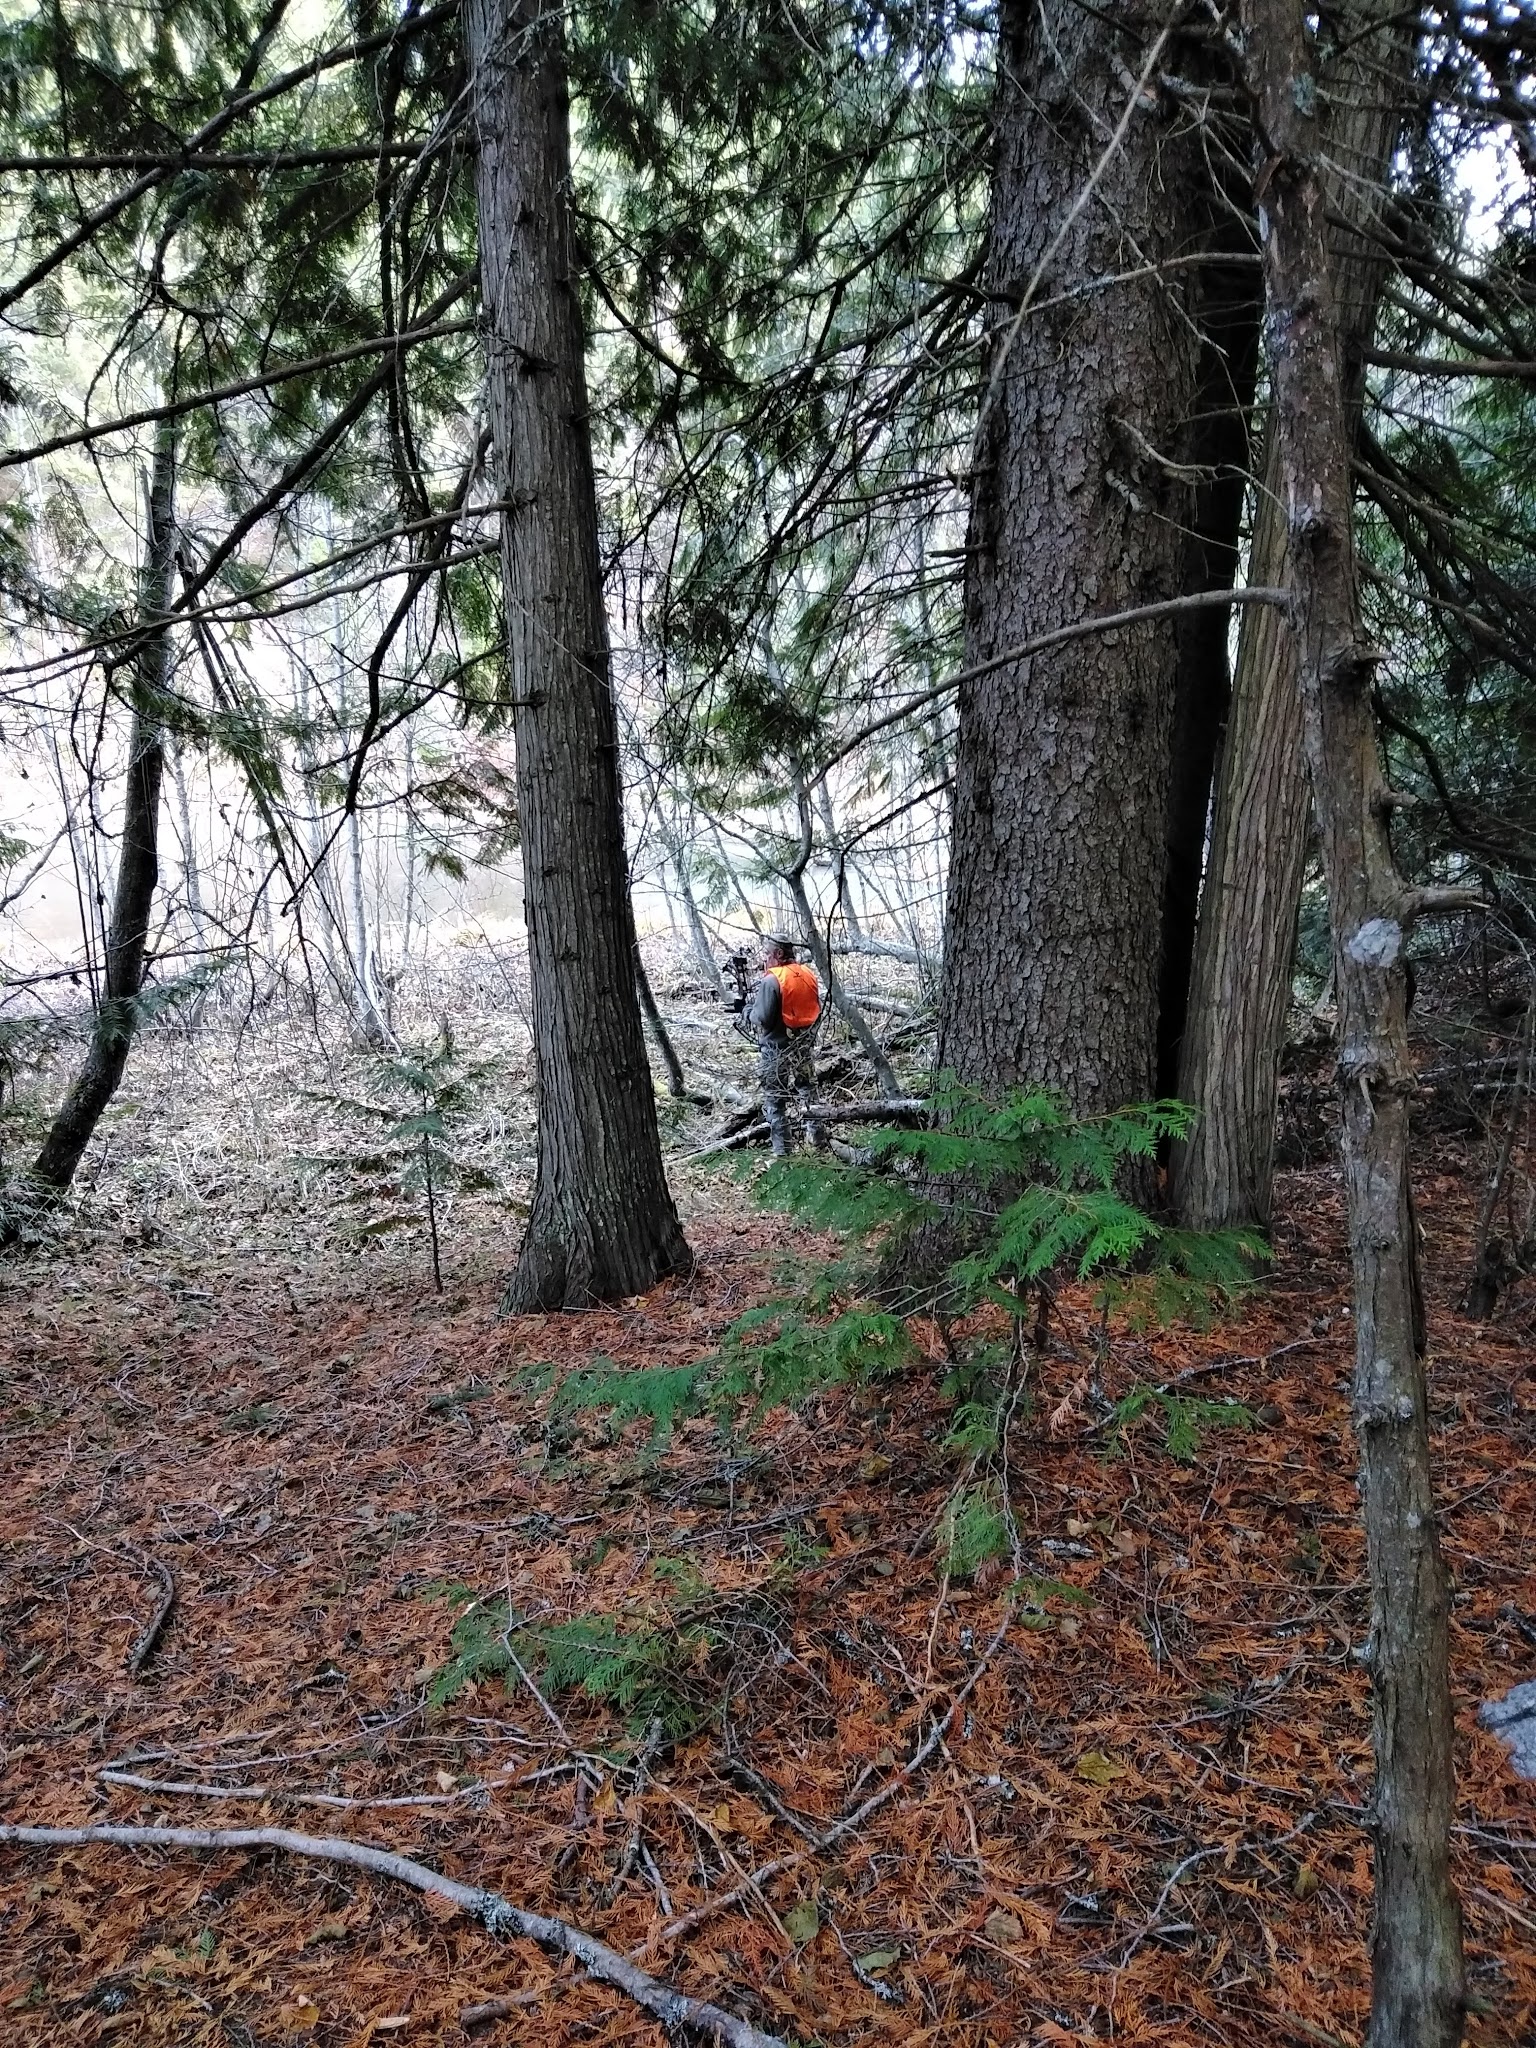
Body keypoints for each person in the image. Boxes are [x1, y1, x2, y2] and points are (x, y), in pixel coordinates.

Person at [740, 933, 824, 1156]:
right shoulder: (807, 974)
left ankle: (783, 1153)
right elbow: (816, 1010)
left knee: (776, 1100)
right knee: (808, 1091)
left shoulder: (771, 981)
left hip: (775, 1051)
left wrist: (747, 1012)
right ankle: (819, 1140)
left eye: (767, 953)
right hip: (803, 1047)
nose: (765, 958)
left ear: (778, 953)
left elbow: (762, 1018)